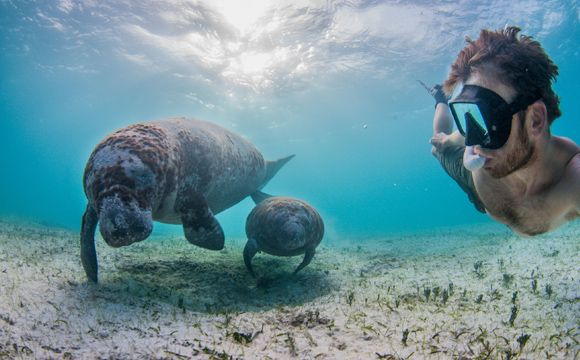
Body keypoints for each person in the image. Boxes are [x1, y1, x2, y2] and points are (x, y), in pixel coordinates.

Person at [426, 26, 579, 236]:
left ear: (535, 120)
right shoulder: (480, 147)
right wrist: (447, 142)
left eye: (491, 118)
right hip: (472, 182)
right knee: (438, 144)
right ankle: (440, 100)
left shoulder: (572, 179)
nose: (476, 144)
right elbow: (470, 132)